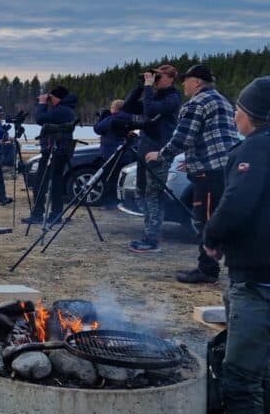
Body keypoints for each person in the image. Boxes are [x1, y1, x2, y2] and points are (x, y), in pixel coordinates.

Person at [202, 76, 270, 414]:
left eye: (237, 110)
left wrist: (212, 238)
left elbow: (236, 205)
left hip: (261, 285)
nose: (234, 117)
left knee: (239, 379)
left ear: (253, 114)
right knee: (256, 368)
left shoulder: (255, 150)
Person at [145, 64, 239, 283]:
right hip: (226, 167)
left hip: (209, 172)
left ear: (197, 81)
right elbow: (217, 137)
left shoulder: (196, 103)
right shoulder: (222, 100)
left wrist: (160, 155)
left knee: (204, 220)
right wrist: (192, 160)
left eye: (186, 80)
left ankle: (207, 270)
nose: (183, 84)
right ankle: (228, 266)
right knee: (219, 217)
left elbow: (183, 137)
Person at [123, 65, 182, 253]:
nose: (156, 79)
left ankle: (152, 239)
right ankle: (149, 233)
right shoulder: (154, 96)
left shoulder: (172, 98)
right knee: (141, 192)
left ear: (171, 79)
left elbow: (149, 110)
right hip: (144, 150)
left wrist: (149, 87)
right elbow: (128, 106)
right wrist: (141, 86)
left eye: (160, 76)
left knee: (154, 195)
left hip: (159, 151)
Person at [22, 86, 78, 226]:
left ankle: (39, 214)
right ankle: (55, 215)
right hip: (60, 150)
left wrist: (41, 104)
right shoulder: (66, 109)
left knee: (41, 183)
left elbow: (41, 119)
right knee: (56, 183)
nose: (49, 101)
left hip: (54, 151)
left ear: (57, 97)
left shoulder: (62, 110)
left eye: (51, 98)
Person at [92, 99, 135, 210]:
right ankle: (120, 202)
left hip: (111, 153)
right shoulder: (129, 118)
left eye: (112, 107)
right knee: (119, 180)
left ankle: (110, 203)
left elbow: (97, 129)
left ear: (115, 109)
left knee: (109, 179)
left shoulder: (113, 119)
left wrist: (103, 117)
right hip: (126, 154)